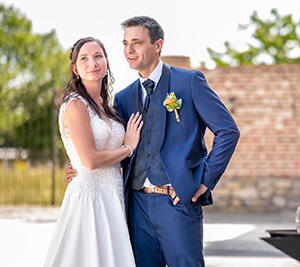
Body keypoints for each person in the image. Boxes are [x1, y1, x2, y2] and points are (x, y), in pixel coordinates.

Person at [66, 16, 240, 267]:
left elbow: (227, 131)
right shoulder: (124, 98)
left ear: (157, 45)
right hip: (135, 207)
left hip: (176, 202)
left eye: (136, 42)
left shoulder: (189, 82)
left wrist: (205, 180)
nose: (129, 50)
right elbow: (109, 144)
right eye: (125, 43)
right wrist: (79, 167)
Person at [45, 37, 142, 267]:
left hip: (113, 197)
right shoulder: (76, 105)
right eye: (84, 58)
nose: (93, 63)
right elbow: (89, 161)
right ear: (75, 69)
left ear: (106, 62)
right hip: (89, 200)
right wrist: (128, 147)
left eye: (98, 56)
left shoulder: (109, 107)